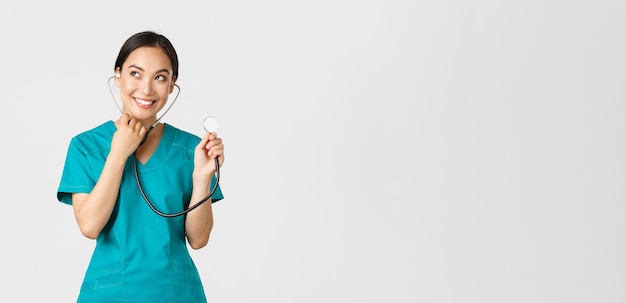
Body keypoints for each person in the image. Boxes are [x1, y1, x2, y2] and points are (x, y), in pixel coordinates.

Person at [56, 31, 225, 302]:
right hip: (110, 294)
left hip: (177, 294)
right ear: (118, 75)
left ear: (172, 85)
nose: (146, 89)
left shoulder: (191, 150)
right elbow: (89, 226)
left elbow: (199, 238)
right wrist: (118, 154)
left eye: (160, 77)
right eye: (136, 74)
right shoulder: (85, 147)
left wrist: (202, 176)